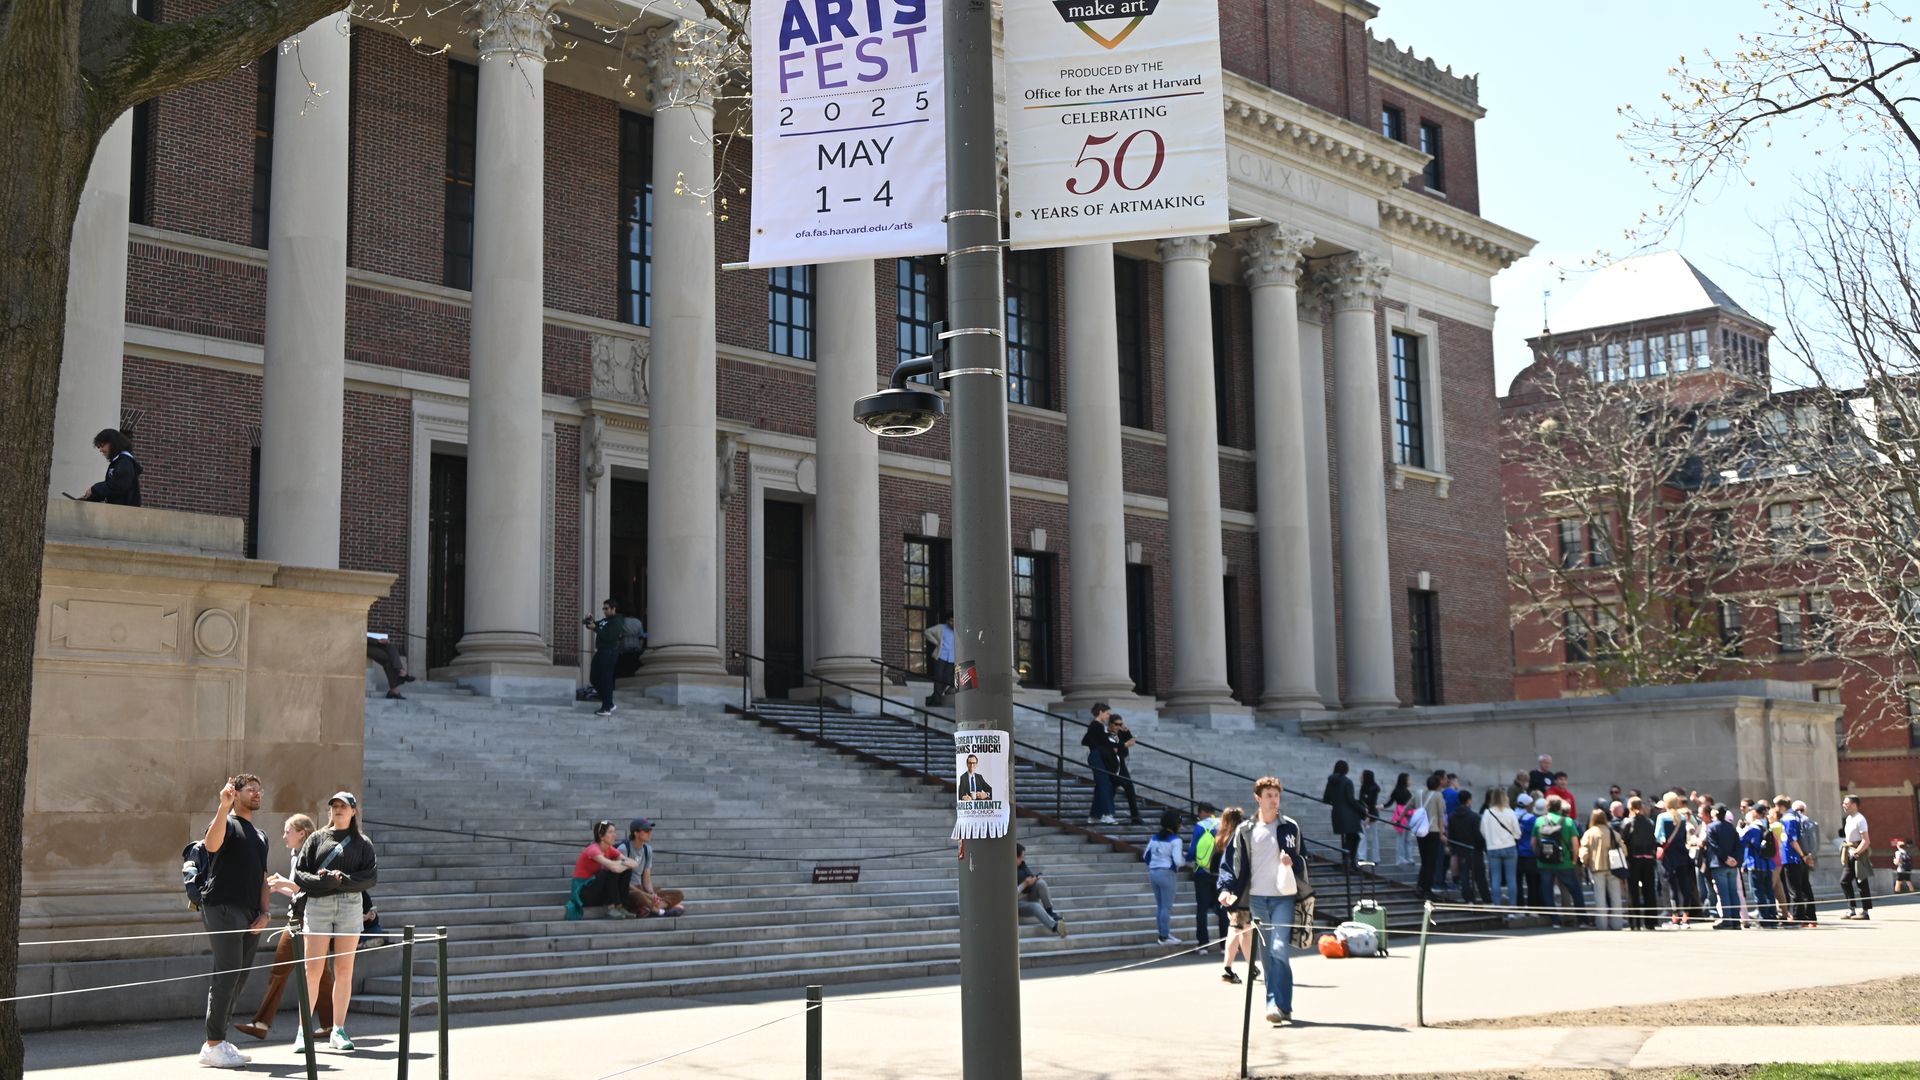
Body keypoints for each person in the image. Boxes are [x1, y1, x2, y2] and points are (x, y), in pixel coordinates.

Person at [287, 792, 377, 1052]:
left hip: (350, 904)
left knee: (344, 970)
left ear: (353, 812)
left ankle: (338, 1029)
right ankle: (304, 1031)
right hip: (318, 905)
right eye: (334, 806)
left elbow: (370, 877)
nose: (337, 810)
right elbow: (301, 874)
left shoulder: (363, 843)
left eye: (343, 806)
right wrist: (323, 882)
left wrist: (342, 880)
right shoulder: (317, 838)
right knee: (312, 970)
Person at [1217, 778, 1310, 1026]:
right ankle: (1275, 1004)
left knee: (1279, 949)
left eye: (1276, 795)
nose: (1273, 799)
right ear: (1258, 798)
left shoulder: (1290, 827)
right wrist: (1226, 888)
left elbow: (1303, 858)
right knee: (1267, 954)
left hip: (1284, 898)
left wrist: (1294, 862)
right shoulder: (1246, 830)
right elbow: (1230, 863)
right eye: (1268, 795)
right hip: (1257, 898)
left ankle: (1282, 1003)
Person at [235, 814, 333, 1042]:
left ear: (302, 833)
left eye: (288, 831)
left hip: (311, 920)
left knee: (310, 974)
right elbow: (298, 890)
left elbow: (310, 888)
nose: (284, 836)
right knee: (313, 974)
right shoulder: (295, 855)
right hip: (299, 919)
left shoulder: (314, 854)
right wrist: (282, 885)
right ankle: (326, 1025)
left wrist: (283, 885)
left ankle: (327, 1025)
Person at [196, 774, 270, 1070]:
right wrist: (222, 807)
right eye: (250, 789)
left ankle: (218, 1040)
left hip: (251, 913)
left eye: (259, 789)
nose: (257, 793)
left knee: (239, 976)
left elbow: (263, 878)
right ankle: (213, 1044)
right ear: (235, 793)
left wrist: (265, 913)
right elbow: (210, 846)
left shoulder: (261, 835)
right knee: (227, 974)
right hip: (222, 906)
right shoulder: (226, 822)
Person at [1210, 807, 1254, 983]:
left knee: (1243, 929)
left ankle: (1250, 967)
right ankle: (1227, 968)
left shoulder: (1223, 838)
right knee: (1239, 928)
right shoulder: (1241, 836)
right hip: (1240, 890)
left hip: (1232, 889)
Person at [1534, 796, 1587, 927]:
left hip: (1544, 863)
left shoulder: (1539, 821)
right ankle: (1582, 920)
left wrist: (1539, 856)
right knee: (1575, 891)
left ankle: (1555, 921)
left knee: (1547, 891)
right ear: (1560, 808)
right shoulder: (1568, 821)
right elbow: (1576, 844)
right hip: (1564, 862)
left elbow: (1533, 843)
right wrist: (1574, 860)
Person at [568, 820, 637, 920]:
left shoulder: (610, 849)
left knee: (626, 870)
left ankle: (620, 907)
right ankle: (611, 908)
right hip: (584, 893)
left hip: (597, 891)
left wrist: (623, 864)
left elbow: (634, 863)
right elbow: (614, 867)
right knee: (607, 871)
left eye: (614, 832)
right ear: (601, 835)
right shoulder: (593, 849)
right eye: (610, 832)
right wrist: (622, 863)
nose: (614, 835)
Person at [617, 819, 685, 917]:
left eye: (650, 830)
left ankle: (650, 907)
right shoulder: (623, 849)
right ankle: (660, 910)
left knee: (679, 894)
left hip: (641, 888)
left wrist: (652, 894)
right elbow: (622, 881)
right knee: (639, 896)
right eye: (646, 830)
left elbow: (646, 876)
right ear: (636, 833)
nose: (650, 832)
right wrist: (647, 895)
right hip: (628, 890)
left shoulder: (647, 849)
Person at [1656, 794, 1701, 927]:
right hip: (1682, 854)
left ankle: (1675, 917)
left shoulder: (1662, 817)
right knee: (1684, 886)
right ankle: (1686, 917)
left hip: (1669, 856)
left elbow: (1658, 837)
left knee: (1672, 887)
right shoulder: (1682, 817)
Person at [67, 427, 142, 505]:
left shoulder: (124, 462)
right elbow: (111, 489)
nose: (101, 450)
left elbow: (117, 487)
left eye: (102, 445)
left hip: (124, 512)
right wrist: (91, 497)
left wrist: (94, 489)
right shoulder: (118, 462)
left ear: (113, 443)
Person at [1142, 810, 1185, 945]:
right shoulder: (1176, 840)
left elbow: (1145, 856)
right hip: (1167, 873)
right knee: (1166, 906)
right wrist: (1185, 860)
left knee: (1160, 906)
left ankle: (1163, 934)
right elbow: (1178, 861)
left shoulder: (1154, 837)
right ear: (1175, 824)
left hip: (1153, 873)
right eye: (1180, 824)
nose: (1181, 826)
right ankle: (1164, 937)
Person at [1580, 807, 1626, 930]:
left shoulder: (1589, 833)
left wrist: (1585, 862)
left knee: (1599, 897)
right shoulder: (1613, 832)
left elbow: (1584, 852)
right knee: (1616, 897)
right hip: (1614, 867)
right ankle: (1617, 924)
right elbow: (1624, 850)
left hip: (1597, 867)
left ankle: (1602, 925)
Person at [1620, 796, 1660, 931]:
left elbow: (1623, 840)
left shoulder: (1627, 822)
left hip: (1634, 859)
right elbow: (1653, 840)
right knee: (1649, 890)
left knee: (1633, 891)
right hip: (1648, 859)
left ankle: (1635, 922)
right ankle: (1651, 922)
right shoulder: (1649, 822)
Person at [1189, 803, 1225, 951]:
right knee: (1223, 909)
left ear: (1203, 812)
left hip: (1202, 873)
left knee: (1202, 909)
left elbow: (1192, 851)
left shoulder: (1200, 825)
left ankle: (1203, 945)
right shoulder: (1224, 824)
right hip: (1221, 873)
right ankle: (1224, 945)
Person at [1777, 795, 1816, 927]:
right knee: (1805, 887)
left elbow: (1792, 840)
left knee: (1794, 889)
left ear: (1781, 806)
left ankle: (1798, 916)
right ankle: (1810, 916)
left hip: (1791, 857)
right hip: (1801, 857)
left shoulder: (1787, 819)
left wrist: (1802, 855)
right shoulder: (1798, 817)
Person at [1480, 788, 1520, 913]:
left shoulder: (1487, 813)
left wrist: (1491, 839)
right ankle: (1513, 907)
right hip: (1509, 846)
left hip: (1493, 848)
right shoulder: (1510, 812)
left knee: (1495, 878)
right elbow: (1517, 832)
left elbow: (1483, 831)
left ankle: (1497, 905)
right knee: (1511, 879)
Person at [582, 598, 624, 717]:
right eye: (603, 609)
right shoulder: (606, 620)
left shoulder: (617, 621)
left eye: (606, 608)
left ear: (613, 609)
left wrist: (595, 627)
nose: (604, 611)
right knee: (594, 677)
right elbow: (595, 625)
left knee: (606, 679)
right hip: (601, 652)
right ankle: (609, 703)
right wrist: (589, 620)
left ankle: (606, 708)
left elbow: (608, 636)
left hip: (610, 652)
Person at [1740, 804, 1780, 928]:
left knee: (1758, 892)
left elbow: (1742, 841)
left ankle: (1764, 919)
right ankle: (1772, 916)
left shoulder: (1753, 828)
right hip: (1768, 864)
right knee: (1769, 891)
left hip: (1755, 863)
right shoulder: (1768, 826)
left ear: (1756, 813)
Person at [1703, 804, 1742, 930]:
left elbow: (1713, 845)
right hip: (1732, 864)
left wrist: (1725, 858)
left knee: (1724, 893)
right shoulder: (1731, 827)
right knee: (1733, 892)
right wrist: (1734, 859)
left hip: (1719, 863)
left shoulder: (1711, 827)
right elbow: (1738, 845)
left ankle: (1727, 920)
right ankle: (1736, 920)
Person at [1080, 703, 1118, 825]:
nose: (1108, 716)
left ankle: (1094, 815)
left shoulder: (1097, 726)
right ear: (1100, 712)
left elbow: (1087, 740)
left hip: (1097, 756)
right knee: (1104, 784)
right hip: (1097, 757)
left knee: (1102, 784)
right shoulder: (1096, 725)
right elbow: (1087, 741)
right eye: (1107, 713)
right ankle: (1107, 814)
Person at [1323, 760, 1364, 872]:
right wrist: (1363, 810)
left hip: (1337, 813)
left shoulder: (1331, 781)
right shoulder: (1347, 782)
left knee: (1351, 838)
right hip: (1349, 815)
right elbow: (1350, 799)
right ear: (1346, 769)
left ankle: (1347, 863)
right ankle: (1349, 863)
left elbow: (1326, 799)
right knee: (1354, 837)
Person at [1446, 790, 1486, 904]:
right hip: (1474, 850)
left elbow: (1451, 835)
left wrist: (1454, 848)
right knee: (1479, 876)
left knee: (1464, 876)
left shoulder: (1453, 816)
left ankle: (1468, 899)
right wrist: (1483, 846)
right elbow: (1478, 835)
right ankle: (1486, 899)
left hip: (1460, 849)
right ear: (1469, 800)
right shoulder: (1474, 816)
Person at [1839, 794, 1873, 920]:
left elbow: (1866, 840)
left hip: (1859, 853)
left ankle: (1865, 911)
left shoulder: (1860, 819)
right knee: (1844, 881)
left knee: (1861, 881)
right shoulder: (1848, 819)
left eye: (1846, 803)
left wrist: (1857, 853)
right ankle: (1851, 909)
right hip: (1850, 853)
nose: (1843, 805)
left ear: (1853, 804)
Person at [1416, 772, 1448, 900]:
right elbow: (1441, 816)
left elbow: (1409, 807)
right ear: (1439, 783)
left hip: (1420, 830)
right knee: (1431, 862)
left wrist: (1399, 819)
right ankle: (1427, 889)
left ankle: (1420, 887)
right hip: (1432, 831)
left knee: (1425, 861)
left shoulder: (1420, 793)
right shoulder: (1438, 796)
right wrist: (1442, 833)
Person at [1108, 714, 1143, 824]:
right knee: (1118, 789)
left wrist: (1126, 730)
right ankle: (1106, 814)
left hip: (1121, 764)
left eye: (1120, 724)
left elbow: (1130, 740)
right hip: (1112, 765)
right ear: (1110, 724)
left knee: (1125, 789)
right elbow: (1113, 749)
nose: (1119, 726)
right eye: (1116, 724)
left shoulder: (1121, 733)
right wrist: (1125, 745)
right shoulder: (1107, 735)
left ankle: (1135, 816)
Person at [365, 631, 410, 701]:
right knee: (387, 660)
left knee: (391, 646)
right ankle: (395, 687)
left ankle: (400, 670)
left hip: (372, 641)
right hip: (364, 644)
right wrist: (378, 641)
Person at [1514, 792, 1541, 912]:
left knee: (1517, 882)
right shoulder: (1531, 819)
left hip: (1515, 853)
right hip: (1529, 853)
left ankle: (1519, 906)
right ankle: (1533, 907)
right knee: (1532, 882)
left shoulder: (1512, 815)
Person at [923, 611, 956, 706]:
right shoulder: (941, 628)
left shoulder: (958, 631)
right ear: (947, 621)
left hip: (952, 659)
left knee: (946, 679)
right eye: (951, 621)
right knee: (938, 678)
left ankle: (933, 698)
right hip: (941, 656)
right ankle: (936, 701)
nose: (952, 623)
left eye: (954, 621)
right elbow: (927, 632)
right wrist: (936, 642)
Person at [1387, 773, 1415, 865]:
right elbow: (1390, 802)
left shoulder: (1407, 791)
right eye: (1408, 779)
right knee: (1401, 838)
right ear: (1404, 780)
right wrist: (1381, 806)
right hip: (1401, 815)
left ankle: (1408, 857)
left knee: (1407, 838)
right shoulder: (1398, 791)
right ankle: (1401, 858)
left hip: (1409, 815)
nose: (1410, 781)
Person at [1356, 770, 1382, 865]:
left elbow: (1371, 803)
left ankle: (1375, 858)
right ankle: (1362, 857)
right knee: (1363, 836)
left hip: (1371, 814)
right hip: (1363, 814)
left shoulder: (1374, 788)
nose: (1360, 777)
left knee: (1373, 837)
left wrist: (1368, 816)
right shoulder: (1363, 787)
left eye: (1362, 776)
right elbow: (1362, 801)